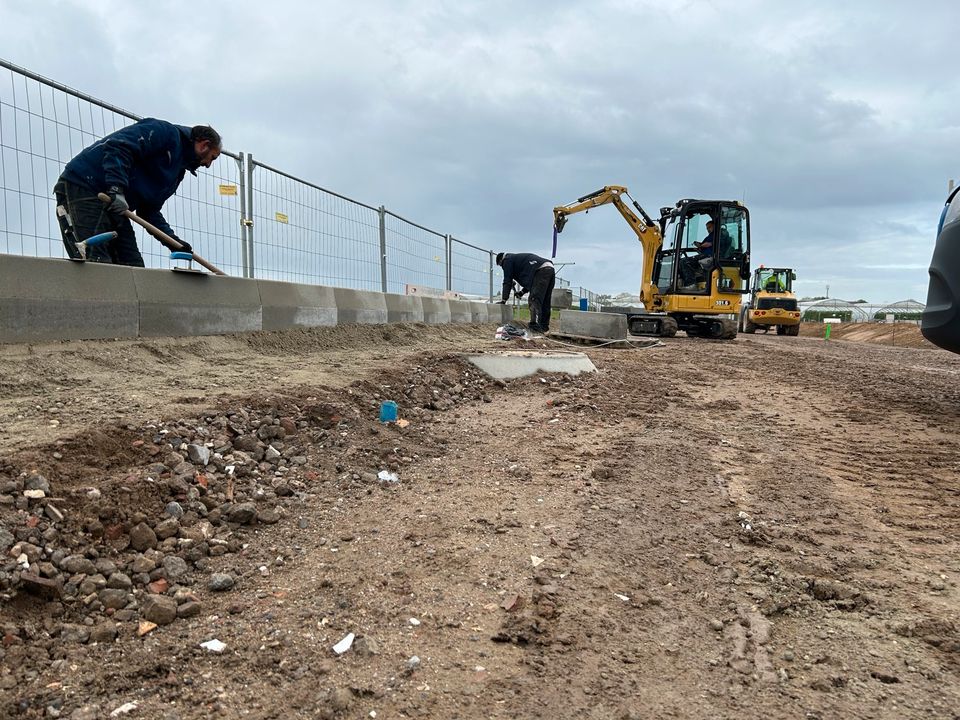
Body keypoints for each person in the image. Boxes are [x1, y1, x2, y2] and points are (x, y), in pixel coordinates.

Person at [53, 118, 222, 265]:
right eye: (212, 158)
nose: (208, 164)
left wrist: (173, 242)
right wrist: (116, 188)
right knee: (95, 262)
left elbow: (149, 211)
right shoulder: (164, 132)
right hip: (85, 186)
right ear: (204, 145)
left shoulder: (176, 172)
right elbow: (119, 147)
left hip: (115, 205)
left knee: (132, 267)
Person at [496, 252, 556, 333]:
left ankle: (535, 327)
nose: (503, 268)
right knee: (545, 300)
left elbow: (507, 281)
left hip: (540, 270)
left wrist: (503, 300)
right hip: (549, 268)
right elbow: (532, 282)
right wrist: (521, 292)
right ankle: (544, 327)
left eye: (500, 265)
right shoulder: (518, 260)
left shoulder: (507, 260)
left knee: (534, 299)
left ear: (501, 260)